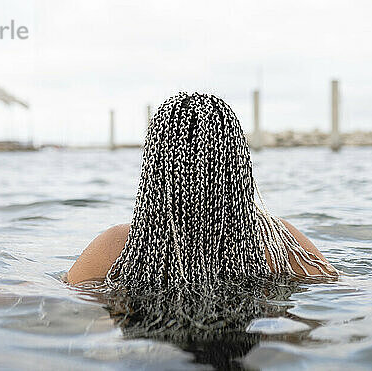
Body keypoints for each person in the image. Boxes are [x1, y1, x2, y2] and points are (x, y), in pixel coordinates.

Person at [67, 92, 338, 287]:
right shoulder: (279, 242)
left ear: (156, 165)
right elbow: (339, 290)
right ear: (237, 162)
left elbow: (69, 309)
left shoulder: (118, 246)